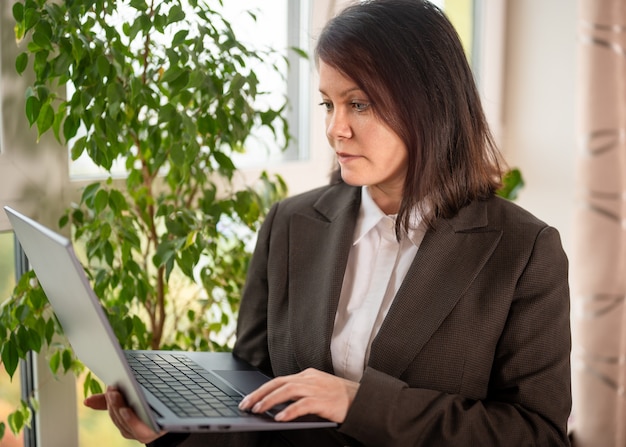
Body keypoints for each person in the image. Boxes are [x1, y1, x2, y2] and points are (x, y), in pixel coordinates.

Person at [84, 0, 572, 445]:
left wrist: (359, 403)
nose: (336, 128)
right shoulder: (290, 223)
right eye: (328, 103)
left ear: (430, 103)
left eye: (358, 103)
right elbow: (254, 402)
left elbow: (536, 435)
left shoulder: (523, 251)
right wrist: (172, 434)